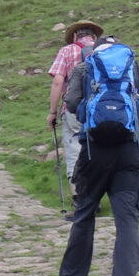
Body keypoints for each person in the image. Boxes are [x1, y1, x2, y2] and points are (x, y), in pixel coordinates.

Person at [54, 35, 139, 276]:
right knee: (127, 220)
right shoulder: (134, 66)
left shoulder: (84, 67)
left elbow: (73, 103)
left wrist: (96, 118)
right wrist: (131, 121)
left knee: (85, 215)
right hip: (129, 152)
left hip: (93, 151)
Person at [47, 19, 103, 219]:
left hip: (73, 109)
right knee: (98, 150)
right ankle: (97, 198)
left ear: (74, 36)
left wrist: (53, 111)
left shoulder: (67, 51)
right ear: (94, 37)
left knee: (74, 151)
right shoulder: (105, 50)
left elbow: (58, 80)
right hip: (103, 110)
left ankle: (80, 201)